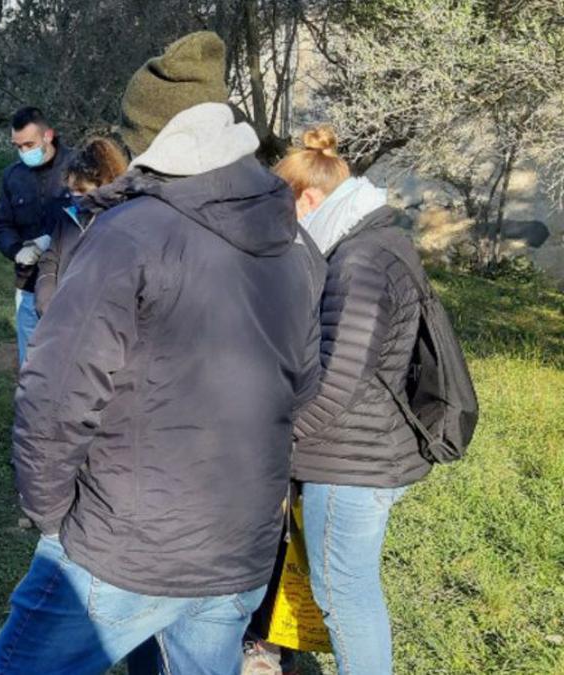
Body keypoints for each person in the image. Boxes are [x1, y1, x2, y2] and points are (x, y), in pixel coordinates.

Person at [0, 31, 324, 675]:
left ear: (149, 138)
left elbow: (56, 398)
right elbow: (303, 387)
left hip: (123, 544)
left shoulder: (129, 234)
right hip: (240, 543)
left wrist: (54, 517)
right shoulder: (296, 241)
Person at [274, 127, 427, 675]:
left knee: (344, 596)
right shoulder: (371, 242)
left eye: (282, 208)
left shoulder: (358, 261)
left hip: (350, 460)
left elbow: (339, 380)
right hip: (359, 448)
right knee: (347, 590)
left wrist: (281, 435)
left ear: (308, 200)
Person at [0, 106, 74, 365]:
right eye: (18, 146)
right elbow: (1, 224)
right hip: (28, 285)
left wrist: (54, 238)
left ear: (48, 135)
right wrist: (16, 250)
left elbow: (96, 213)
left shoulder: (77, 166)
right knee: (31, 364)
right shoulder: (13, 176)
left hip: (70, 282)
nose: (25, 151)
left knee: (68, 363)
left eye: (29, 144)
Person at [34, 136, 129, 317]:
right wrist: (45, 292)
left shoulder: (125, 222)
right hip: (61, 317)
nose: (75, 196)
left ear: (106, 184)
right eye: (71, 190)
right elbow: (51, 257)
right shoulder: (68, 218)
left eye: (82, 190)